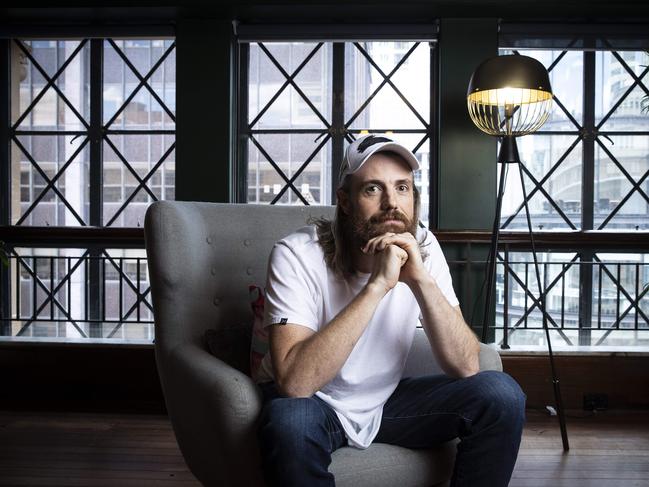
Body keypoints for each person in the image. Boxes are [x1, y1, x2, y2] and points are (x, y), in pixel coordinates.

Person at [255, 134, 526, 487]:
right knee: (291, 421)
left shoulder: (423, 246)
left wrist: (420, 281)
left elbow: (466, 365)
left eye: (402, 188)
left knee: (501, 394)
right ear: (345, 201)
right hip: (315, 404)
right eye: (372, 189)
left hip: (386, 402)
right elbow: (296, 383)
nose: (391, 204)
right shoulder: (296, 254)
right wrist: (378, 286)